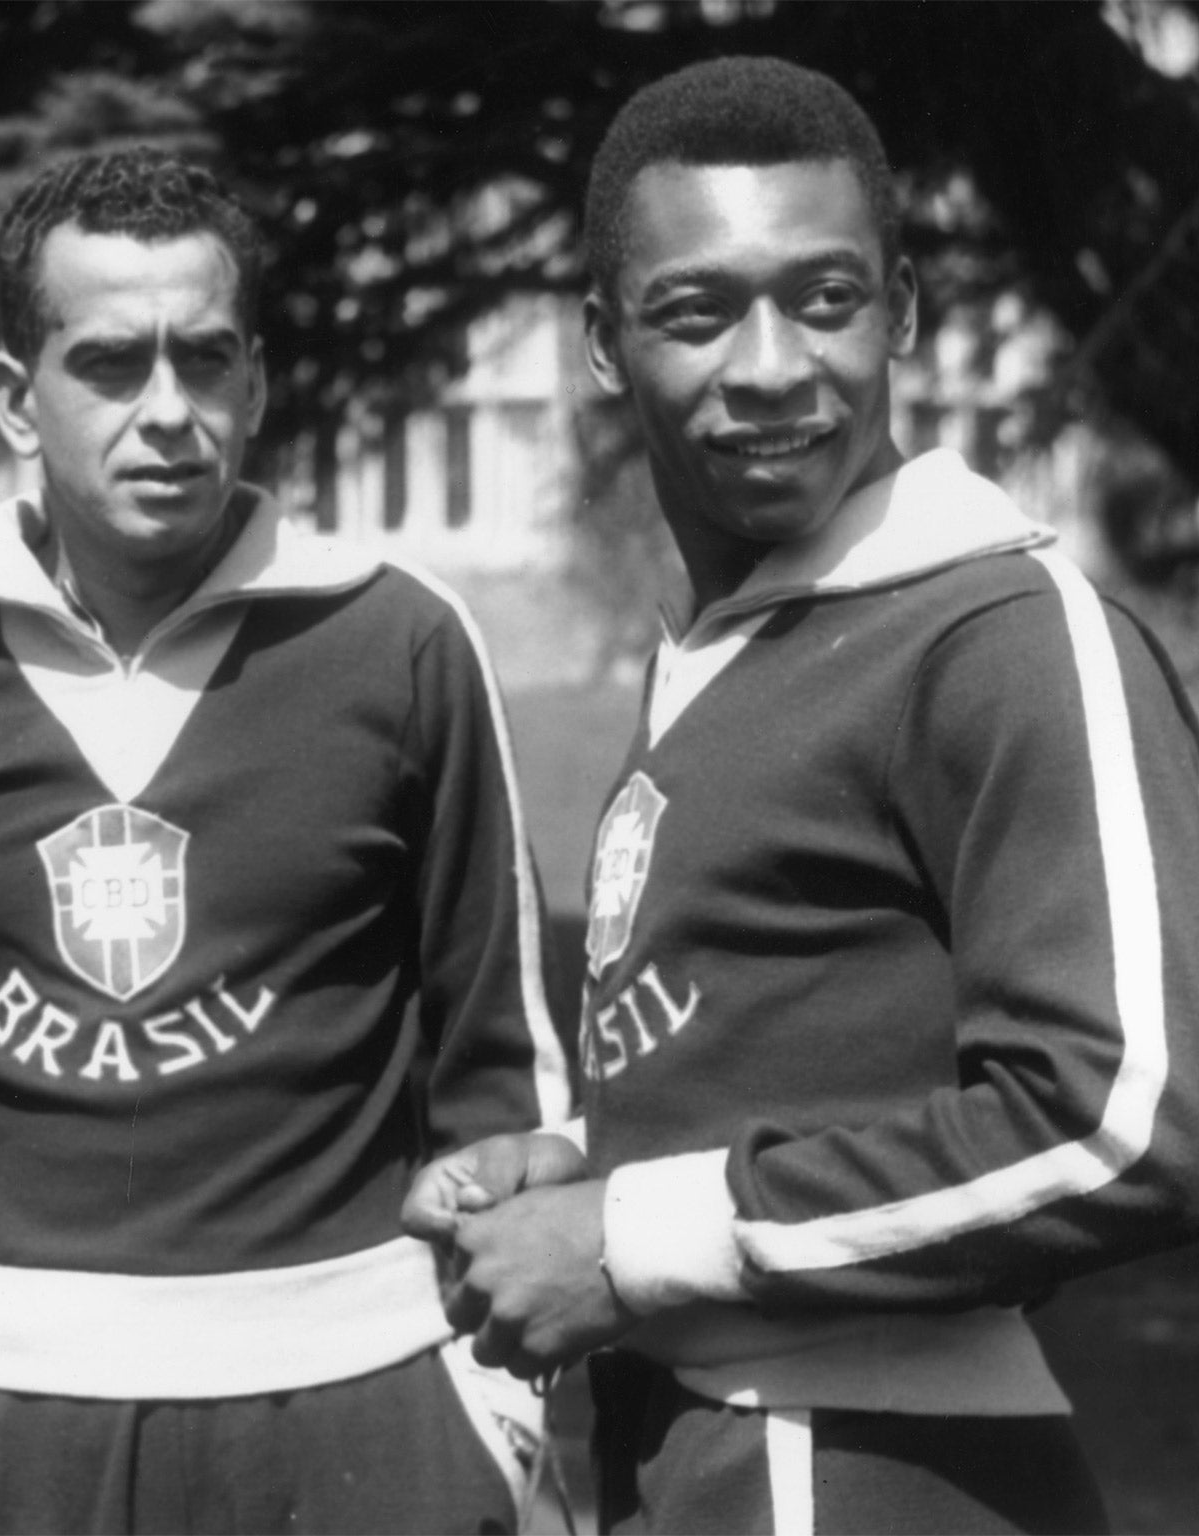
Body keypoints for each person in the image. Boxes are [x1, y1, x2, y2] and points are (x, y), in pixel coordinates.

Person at [405, 55, 1199, 1534]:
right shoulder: (731, 653)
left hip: (871, 1471)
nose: (772, 365)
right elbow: (807, 1056)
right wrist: (583, 1169)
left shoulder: (996, 636)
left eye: (826, 299)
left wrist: (632, 1238)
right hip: (708, 1462)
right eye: (699, 312)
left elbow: (1129, 1119)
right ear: (602, 342)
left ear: (900, 311)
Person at [0, 147, 573, 1534]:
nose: (168, 412)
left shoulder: (397, 638)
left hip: (357, 1410)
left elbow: (501, 1055)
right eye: (114, 365)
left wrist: (495, 1426)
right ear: (16, 396)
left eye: (207, 361)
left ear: (256, 381)